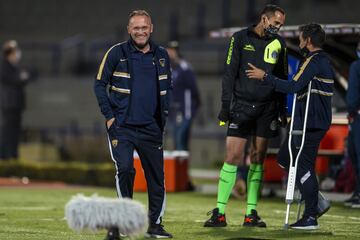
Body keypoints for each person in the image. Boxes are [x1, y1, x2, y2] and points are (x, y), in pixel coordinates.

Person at [204, 4, 288, 228]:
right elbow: (229, 73)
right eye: (276, 23)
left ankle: (251, 213)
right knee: (232, 157)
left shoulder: (280, 44)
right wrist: (225, 105)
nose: (278, 28)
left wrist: (281, 110)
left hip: (267, 108)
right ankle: (219, 212)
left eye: (281, 25)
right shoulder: (239, 38)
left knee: (258, 158)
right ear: (264, 19)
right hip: (240, 106)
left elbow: (282, 77)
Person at [246, 23, 334, 229]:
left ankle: (311, 216)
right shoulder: (317, 60)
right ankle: (316, 199)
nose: (300, 41)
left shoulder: (314, 61)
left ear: (309, 41)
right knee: (285, 159)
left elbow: (293, 86)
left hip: (311, 123)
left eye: (302, 38)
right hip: (305, 121)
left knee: (303, 166)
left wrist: (265, 76)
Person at [94, 10, 173, 239]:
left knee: (157, 178)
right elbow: (99, 85)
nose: (140, 31)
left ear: (151, 28)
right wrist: (109, 117)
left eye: (144, 27)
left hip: (151, 129)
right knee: (126, 170)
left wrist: (162, 120)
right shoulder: (116, 53)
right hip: (122, 127)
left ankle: (155, 225)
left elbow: (168, 88)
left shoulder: (162, 55)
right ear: (129, 30)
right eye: (136, 28)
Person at [166, 41, 201, 191]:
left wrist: (193, 110)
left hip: (185, 112)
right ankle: (182, 180)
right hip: (174, 112)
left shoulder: (184, 68)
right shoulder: (169, 68)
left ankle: (183, 181)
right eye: (169, 50)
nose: (170, 53)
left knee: (180, 144)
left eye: (173, 50)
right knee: (178, 146)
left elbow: (194, 91)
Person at [0, 40, 29, 160]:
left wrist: (22, 78)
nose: (17, 54)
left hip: (16, 105)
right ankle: (7, 157)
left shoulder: (15, 67)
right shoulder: (4, 66)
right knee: (9, 132)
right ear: (10, 53)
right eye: (15, 51)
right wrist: (21, 78)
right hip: (9, 104)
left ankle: (12, 156)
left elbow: (27, 76)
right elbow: (17, 80)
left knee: (15, 132)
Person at [345, 41, 360, 208]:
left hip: (357, 116)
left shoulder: (356, 66)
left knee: (356, 155)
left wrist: (351, 108)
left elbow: (353, 95)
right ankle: (358, 191)